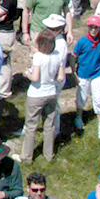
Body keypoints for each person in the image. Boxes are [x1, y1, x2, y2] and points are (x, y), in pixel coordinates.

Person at [19, 31, 65, 164]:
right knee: (49, 125)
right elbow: (61, 77)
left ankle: (27, 157)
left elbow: (35, 77)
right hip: (51, 93)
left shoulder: (38, 57)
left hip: (36, 94)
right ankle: (48, 154)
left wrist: (27, 73)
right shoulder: (57, 55)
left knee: (31, 126)